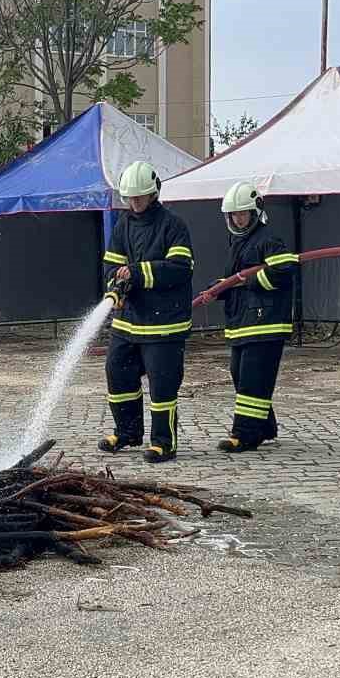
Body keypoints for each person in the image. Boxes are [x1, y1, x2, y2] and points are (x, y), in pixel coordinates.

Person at [99, 161, 195, 463]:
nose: (134, 203)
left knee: (162, 385)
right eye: (129, 198)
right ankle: (127, 433)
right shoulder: (123, 225)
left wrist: (137, 273)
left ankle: (163, 443)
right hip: (128, 323)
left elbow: (181, 269)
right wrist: (116, 284)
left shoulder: (173, 226)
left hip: (163, 325)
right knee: (117, 373)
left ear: (153, 193)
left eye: (139, 197)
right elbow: (111, 265)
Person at [192, 181, 299, 453]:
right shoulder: (238, 242)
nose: (238, 219)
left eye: (243, 214)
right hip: (243, 323)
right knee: (242, 375)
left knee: (253, 377)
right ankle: (265, 427)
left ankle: (245, 434)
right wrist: (219, 288)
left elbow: (283, 273)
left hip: (265, 322)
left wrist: (244, 281)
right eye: (233, 215)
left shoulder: (269, 240)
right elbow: (236, 277)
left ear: (255, 212)